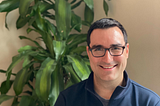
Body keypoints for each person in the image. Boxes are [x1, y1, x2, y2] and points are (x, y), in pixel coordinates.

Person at [55, 18, 160, 106]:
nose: (107, 59)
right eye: (98, 49)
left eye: (115, 48)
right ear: (89, 53)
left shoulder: (150, 102)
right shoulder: (67, 100)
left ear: (126, 51)